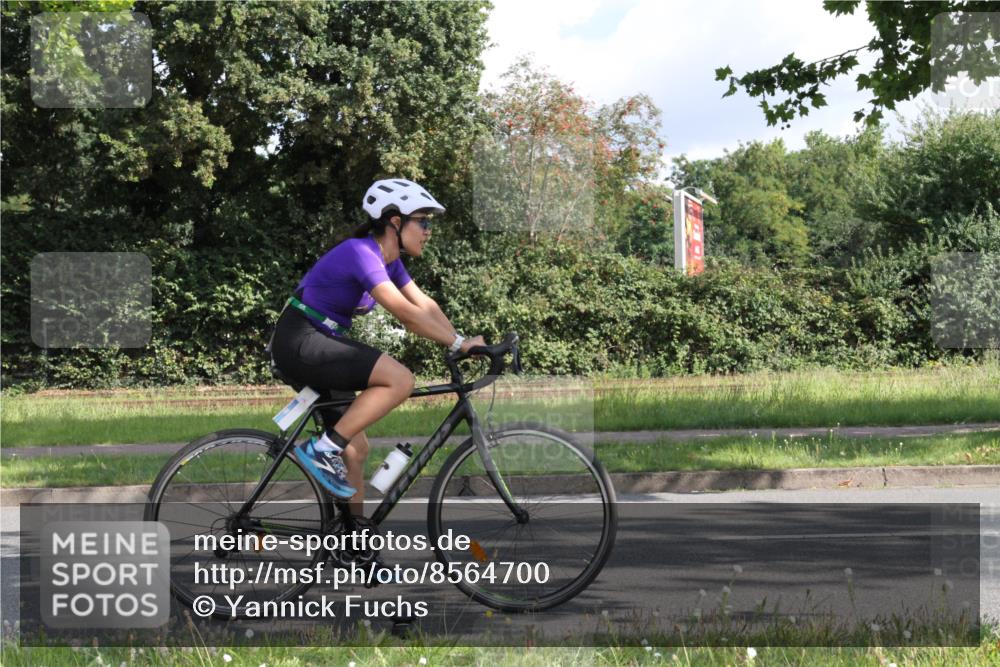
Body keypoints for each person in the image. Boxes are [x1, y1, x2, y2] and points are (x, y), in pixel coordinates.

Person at [268, 178, 485, 519]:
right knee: (399, 380)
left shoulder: (390, 261)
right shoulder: (361, 252)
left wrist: (461, 340)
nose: (428, 231)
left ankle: (355, 545)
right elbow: (406, 314)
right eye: (423, 221)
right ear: (395, 222)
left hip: (318, 340)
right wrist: (458, 343)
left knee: (355, 449)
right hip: (301, 338)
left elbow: (423, 304)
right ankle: (321, 450)